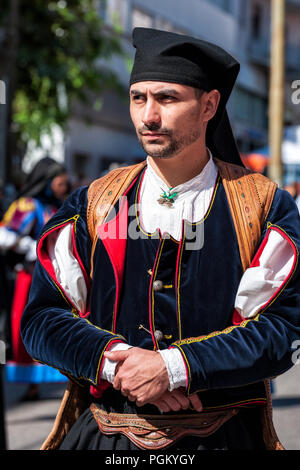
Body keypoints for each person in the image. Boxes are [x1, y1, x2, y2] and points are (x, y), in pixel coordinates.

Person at [21, 28, 300, 450]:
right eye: (138, 98)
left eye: (166, 98)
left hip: (223, 438)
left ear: (209, 105)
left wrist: (175, 367)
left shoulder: (261, 207)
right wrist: (119, 367)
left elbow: (283, 329)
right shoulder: (94, 203)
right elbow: (41, 318)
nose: (148, 116)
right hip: (108, 437)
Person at [0, 157, 69, 400]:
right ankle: (32, 384)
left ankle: (50, 382)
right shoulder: (27, 206)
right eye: (61, 183)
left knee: (56, 325)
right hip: (30, 277)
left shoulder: (59, 206)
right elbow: (4, 234)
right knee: (27, 326)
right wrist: (31, 246)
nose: (65, 187)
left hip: (57, 277)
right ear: (49, 182)